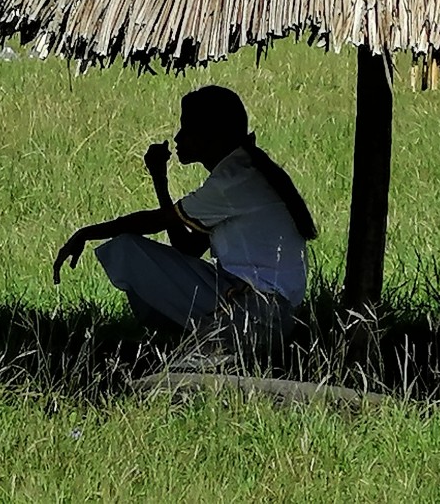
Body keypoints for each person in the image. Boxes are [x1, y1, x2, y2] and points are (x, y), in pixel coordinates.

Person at [53, 85, 316, 359]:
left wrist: (86, 233)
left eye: (187, 128)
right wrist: (160, 179)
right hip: (264, 309)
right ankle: (184, 339)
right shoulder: (239, 172)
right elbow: (188, 247)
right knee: (129, 249)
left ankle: (189, 341)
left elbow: (154, 222)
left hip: (257, 313)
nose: (178, 137)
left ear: (212, 135)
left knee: (127, 251)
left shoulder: (232, 181)